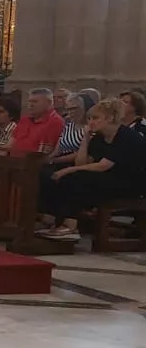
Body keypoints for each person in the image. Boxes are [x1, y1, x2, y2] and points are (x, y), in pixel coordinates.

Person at [37, 99, 146, 241]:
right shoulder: (99, 137)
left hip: (131, 183)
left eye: (95, 118)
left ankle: (70, 226)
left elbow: (103, 165)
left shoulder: (126, 136)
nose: (91, 122)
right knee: (52, 175)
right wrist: (85, 139)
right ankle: (53, 219)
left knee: (76, 178)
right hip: (108, 177)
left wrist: (69, 170)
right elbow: (82, 162)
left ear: (110, 118)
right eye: (89, 118)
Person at [11, 88, 64, 155]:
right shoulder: (24, 120)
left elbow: (44, 153)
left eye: (35, 102)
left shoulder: (55, 122)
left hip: (31, 163)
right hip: (11, 161)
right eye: (29, 101)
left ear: (49, 103)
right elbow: (10, 143)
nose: (31, 105)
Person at [51, 92, 97, 167]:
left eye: (74, 108)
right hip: (60, 161)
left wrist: (54, 161)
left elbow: (85, 153)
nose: (70, 112)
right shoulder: (68, 124)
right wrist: (49, 158)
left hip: (78, 164)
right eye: (68, 109)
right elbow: (58, 147)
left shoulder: (93, 127)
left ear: (86, 108)